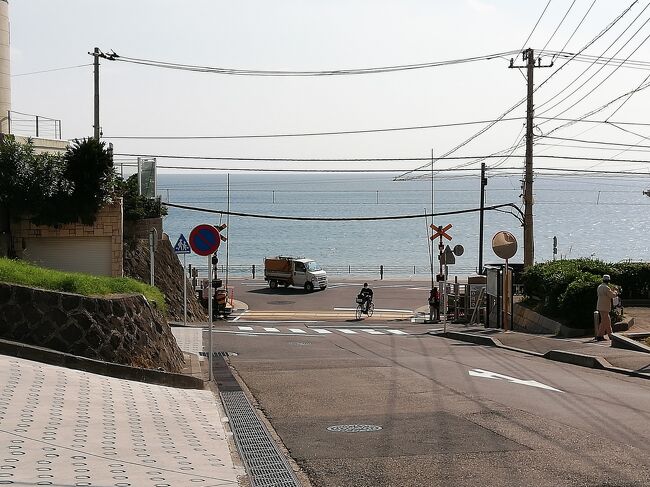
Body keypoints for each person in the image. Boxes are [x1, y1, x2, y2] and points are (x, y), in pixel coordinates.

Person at [596, 274, 617, 341]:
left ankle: (610, 335)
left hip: (600, 306)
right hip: (605, 307)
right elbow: (612, 295)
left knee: (607, 321)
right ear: (608, 281)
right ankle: (599, 335)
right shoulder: (606, 288)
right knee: (604, 321)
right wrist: (616, 291)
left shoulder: (599, 286)